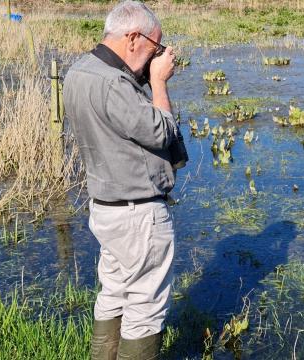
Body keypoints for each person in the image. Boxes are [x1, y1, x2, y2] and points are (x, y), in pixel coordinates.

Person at [64, 1, 185, 358]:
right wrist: (160, 82)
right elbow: (161, 132)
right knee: (144, 309)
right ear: (133, 38)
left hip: (105, 209)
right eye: (156, 47)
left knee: (113, 293)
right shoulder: (114, 84)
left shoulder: (80, 71)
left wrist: (145, 76)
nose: (158, 55)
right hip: (138, 215)